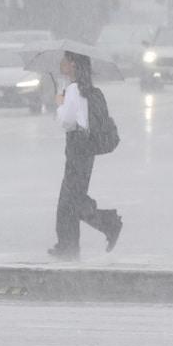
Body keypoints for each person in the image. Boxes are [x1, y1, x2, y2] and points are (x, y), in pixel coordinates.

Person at [50, 51, 122, 261]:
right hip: (85, 147)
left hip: (77, 146)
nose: (61, 63)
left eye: (64, 59)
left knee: (69, 200)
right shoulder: (85, 88)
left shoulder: (73, 90)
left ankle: (106, 224)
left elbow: (67, 121)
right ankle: (68, 245)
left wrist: (59, 103)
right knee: (72, 198)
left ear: (73, 64)